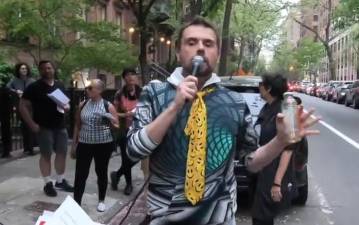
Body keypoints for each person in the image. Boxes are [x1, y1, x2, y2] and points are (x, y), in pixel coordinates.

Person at [126, 17, 320, 225]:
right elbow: (133, 151)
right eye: (191, 42)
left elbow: (251, 163)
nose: (200, 48)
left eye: (208, 44)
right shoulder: (153, 93)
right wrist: (175, 106)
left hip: (219, 218)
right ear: (177, 52)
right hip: (164, 217)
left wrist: (280, 141)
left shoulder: (234, 102)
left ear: (217, 54)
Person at [19, 60, 74, 197]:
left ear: (53, 69)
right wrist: (31, 124)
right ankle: (47, 183)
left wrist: (67, 107)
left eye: (49, 68)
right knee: (46, 155)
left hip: (60, 126)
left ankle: (60, 181)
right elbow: (22, 106)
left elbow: (66, 104)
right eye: (43, 69)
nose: (47, 70)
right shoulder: (34, 87)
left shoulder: (59, 84)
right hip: (43, 127)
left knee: (61, 153)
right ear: (40, 71)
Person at [251, 74, 296, 225]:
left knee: (261, 217)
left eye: (261, 84)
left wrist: (277, 182)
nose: (259, 86)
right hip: (262, 168)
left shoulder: (286, 109)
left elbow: (288, 149)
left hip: (273, 171)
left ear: (268, 88)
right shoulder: (267, 107)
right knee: (261, 216)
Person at [71, 79, 119, 212]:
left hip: (103, 144)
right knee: (80, 173)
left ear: (99, 90)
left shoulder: (107, 106)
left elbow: (116, 126)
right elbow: (77, 125)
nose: (87, 90)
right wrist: (74, 144)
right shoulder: (83, 104)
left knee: (101, 171)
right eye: (87, 87)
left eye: (91, 88)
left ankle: (101, 200)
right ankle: (77, 202)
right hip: (85, 143)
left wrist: (110, 120)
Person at [110, 68, 141, 195]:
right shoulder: (119, 94)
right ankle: (128, 184)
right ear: (124, 78)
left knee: (138, 155)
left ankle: (116, 175)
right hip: (124, 129)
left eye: (133, 74)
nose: (130, 77)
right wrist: (125, 115)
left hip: (139, 128)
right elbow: (113, 112)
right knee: (126, 157)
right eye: (127, 75)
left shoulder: (142, 92)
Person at [7, 63, 35, 155]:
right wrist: (16, 91)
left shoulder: (31, 80)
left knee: (30, 126)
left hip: (30, 107)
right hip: (20, 106)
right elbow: (7, 88)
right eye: (22, 69)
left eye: (25, 69)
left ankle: (31, 148)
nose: (24, 70)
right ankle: (26, 148)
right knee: (23, 127)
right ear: (19, 70)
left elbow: (37, 90)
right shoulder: (14, 80)